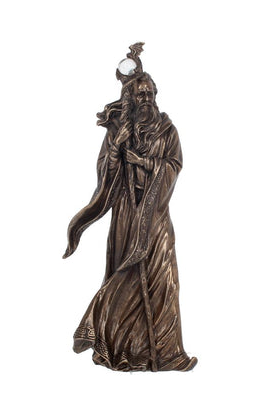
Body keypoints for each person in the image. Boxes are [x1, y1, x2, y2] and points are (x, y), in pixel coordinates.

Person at [63, 55, 197, 371]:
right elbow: (105, 174)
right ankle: (122, 350)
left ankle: (167, 354)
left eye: (151, 93)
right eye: (141, 94)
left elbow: (173, 165)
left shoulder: (168, 130)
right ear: (131, 99)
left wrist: (145, 163)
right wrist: (116, 148)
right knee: (127, 276)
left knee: (164, 280)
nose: (147, 98)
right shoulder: (118, 131)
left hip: (156, 216)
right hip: (127, 214)